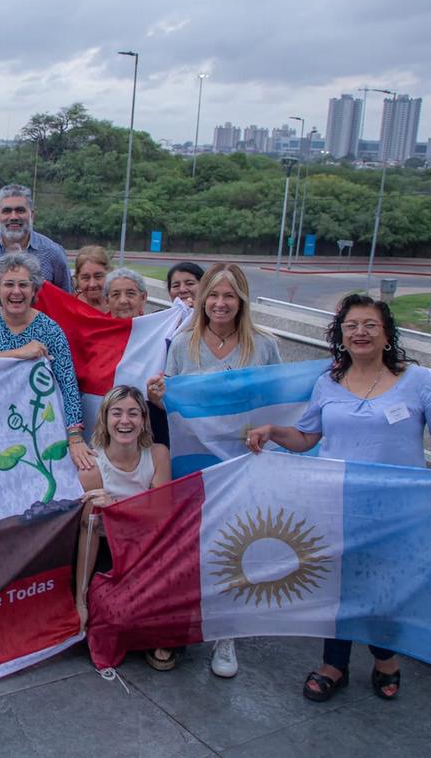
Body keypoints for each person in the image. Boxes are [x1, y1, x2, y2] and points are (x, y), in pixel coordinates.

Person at [247, 294, 426, 703]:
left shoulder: (419, 381)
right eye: (351, 326)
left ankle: (385, 658)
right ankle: (335, 664)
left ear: (386, 335)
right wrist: (273, 431)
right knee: (337, 587)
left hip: (397, 512)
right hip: (337, 504)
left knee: (387, 587)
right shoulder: (328, 382)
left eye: (369, 325)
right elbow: (308, 437)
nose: (359, 332)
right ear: (340, 335)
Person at [147, 262, 280, 679]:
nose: (221, 304)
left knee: (234, 545)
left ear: (242, 300)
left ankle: (227, 633)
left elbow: (277, 401)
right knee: (192, 543)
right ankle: (185, 621)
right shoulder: (184, 342)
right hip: (194, 458)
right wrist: (156, 395)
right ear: (202, 300)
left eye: (229, 296)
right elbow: (170, 399)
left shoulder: (263, 345)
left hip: (243, 459)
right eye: (214, 296)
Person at [0, 253, 93, 471]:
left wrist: (75, 437)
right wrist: (19, 353)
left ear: (34, 290)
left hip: (36, 427)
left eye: (23, 284)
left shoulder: (50, 329)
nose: (16, 291)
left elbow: (68, 385)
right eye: (8, 284)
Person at [73, 386, 172, 666]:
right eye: (116, 413)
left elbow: (162, 514)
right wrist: (80, 600)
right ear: (105, 419)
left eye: (132, 413)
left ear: (143, 420)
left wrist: (116, 507)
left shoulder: (158, 454)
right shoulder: (92, 465)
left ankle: (159, 637)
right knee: (113, 613)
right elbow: (88, 533)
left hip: (149, 548)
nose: (124, 421)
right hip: (110, 551)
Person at [0, 184, 70, 294]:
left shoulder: (53, 253)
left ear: (32, 215)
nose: (14, 217)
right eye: (7, 211)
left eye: (20, 210)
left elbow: (66, 301)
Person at [73, 245, 110, 311]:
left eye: (98, 276)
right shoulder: (69, 308)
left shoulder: (120, 307)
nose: (92, 284)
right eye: (85, 278)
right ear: (77, 278)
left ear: (109, 274)